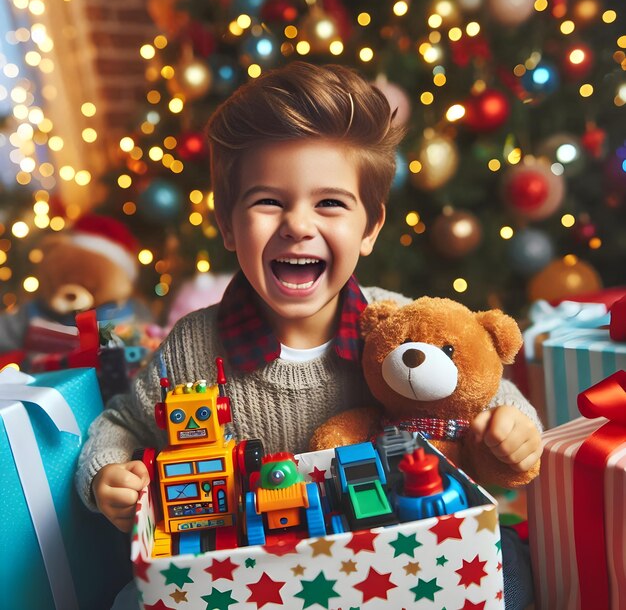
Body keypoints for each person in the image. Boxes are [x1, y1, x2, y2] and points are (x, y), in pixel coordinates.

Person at [75, 62, 541, 609]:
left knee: (507, 562)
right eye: (268, 201)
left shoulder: (398, 325)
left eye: (330, 203)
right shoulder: (194, 345)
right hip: (258, 575)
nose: (298, 224)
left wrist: (514, 427)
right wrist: (108, 474)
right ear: (228, 224)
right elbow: (122, 423)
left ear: (369, 228)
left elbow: (480, 387)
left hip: (388, 562)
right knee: (130, 600)